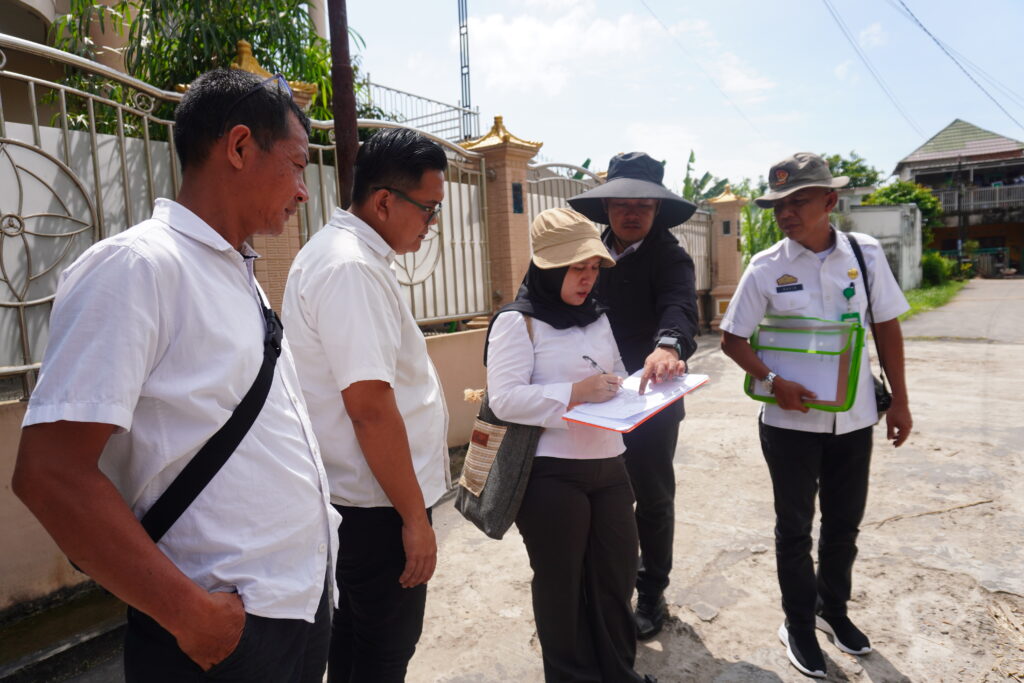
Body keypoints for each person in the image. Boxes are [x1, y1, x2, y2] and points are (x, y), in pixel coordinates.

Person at [12, 69, 339, 682]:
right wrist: (194, 618)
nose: (303, 191)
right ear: (239, 147)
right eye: (296, 166)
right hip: (218, 636)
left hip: (291, 611)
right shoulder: (137, 267)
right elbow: (50, 474)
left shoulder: (239, 277)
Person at [720, 152, 912, 678]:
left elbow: (886, 327)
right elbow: (732, 339)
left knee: (844, 526)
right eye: (777, 204)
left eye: (797, 200)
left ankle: (834, 612)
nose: (785, 212)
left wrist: (900, 399)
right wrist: (772, 381)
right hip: (788, 427)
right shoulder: (766, 267)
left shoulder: (865, 254)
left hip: (853, 420)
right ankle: (798, 624)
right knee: (794, 529)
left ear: (830, 201)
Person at [282, 127, 450, 682]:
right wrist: (413, 520)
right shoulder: (350, 266)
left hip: (362, 502)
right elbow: (370, 408)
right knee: (382, 652)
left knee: (356, 644)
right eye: (427, 210)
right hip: (375, 509)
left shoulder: (345, 255)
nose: (431, 226)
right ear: (384, 201)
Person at [485, 207, 664, 683]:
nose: (587, 279)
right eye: (576, 268)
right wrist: (575, 393)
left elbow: (615, 378)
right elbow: (503, 400)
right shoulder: (517, 323)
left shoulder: (595, 318)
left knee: (616, 577)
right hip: (551, 474)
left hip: (609, 464)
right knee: (561, 587)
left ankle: (618, 672)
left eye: (593, 269)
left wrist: (648, 383)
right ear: (546, 267)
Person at [568, 152, 700, 639]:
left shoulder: (670, 256)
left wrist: (667, 346)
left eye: (643, 205)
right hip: (595, 397)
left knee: (652, 497)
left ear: (656, 210)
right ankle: (606, 585)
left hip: (651, 396)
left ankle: (651, 590)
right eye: (623, 203)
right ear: (607, 208)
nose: (632, 213)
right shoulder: (590, 250)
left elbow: (680, 307)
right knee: (601, 494)